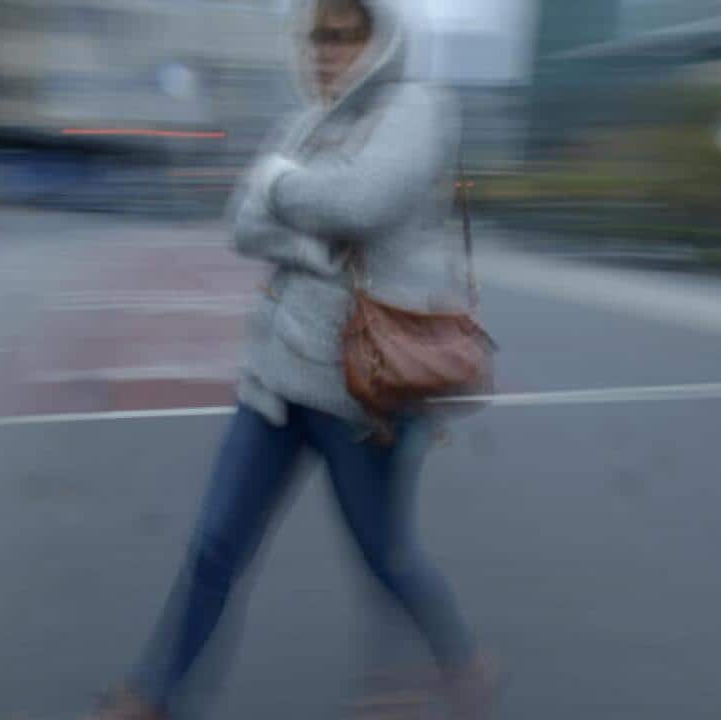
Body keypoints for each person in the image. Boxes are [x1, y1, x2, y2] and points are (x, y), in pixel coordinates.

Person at [86, 1, 495, 717]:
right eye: (315, 37)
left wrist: (279, 185)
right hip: (276, 383)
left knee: (387, 555)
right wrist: (308, 241)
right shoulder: (299, 125)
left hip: (364, 388)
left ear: (380, 39)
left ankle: (460, 661)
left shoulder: (418, 109)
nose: (323, 51)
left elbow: (364, 202)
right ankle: (153, 696)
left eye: (342, 36)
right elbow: (241, 223)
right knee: (216, 546)